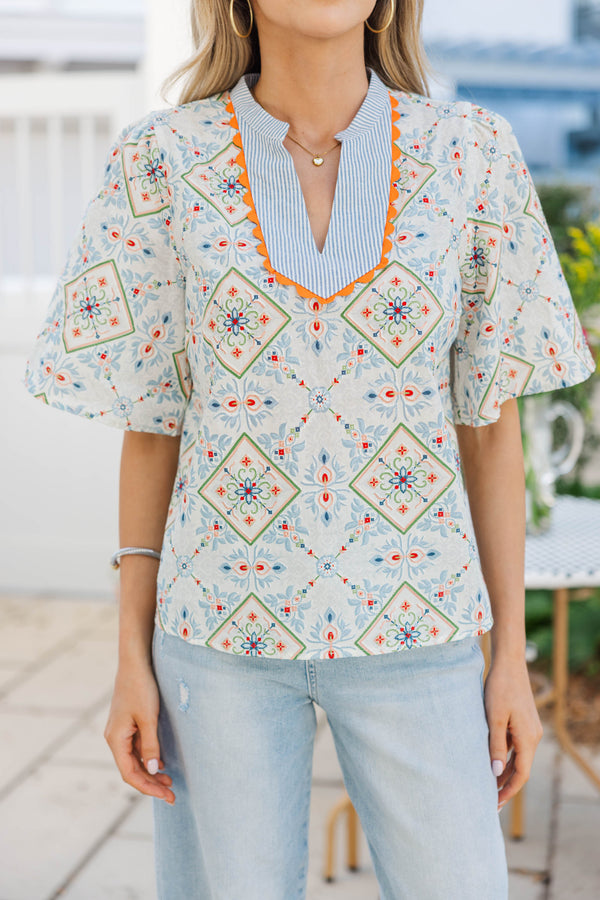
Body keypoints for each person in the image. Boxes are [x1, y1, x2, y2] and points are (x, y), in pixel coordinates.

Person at [22, 1, 596, 897]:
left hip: (424, 628)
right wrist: (131, 656)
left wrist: (509, 662)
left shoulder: (471, 153)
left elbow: (489, 427)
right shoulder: (160, 162)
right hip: (216, 639)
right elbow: (153, 422)